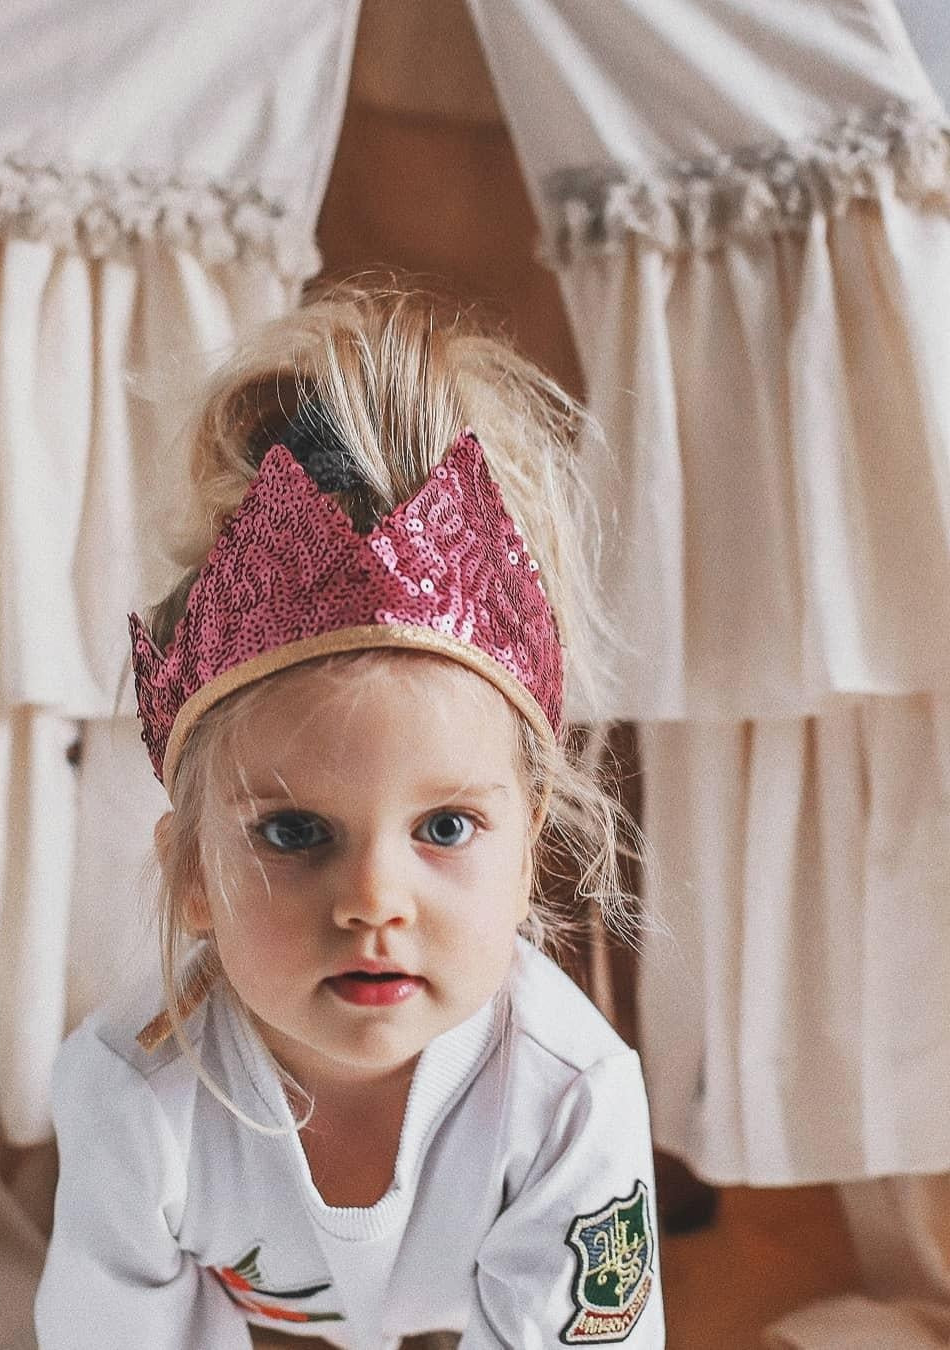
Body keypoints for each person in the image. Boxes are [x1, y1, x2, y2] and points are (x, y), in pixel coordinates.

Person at [34, 286, 665, 1349]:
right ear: (192, 872)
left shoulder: (572, 1095)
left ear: (527, 855)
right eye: (294, 832)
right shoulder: (130, 1091)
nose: (374, 902)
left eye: (446, 828)